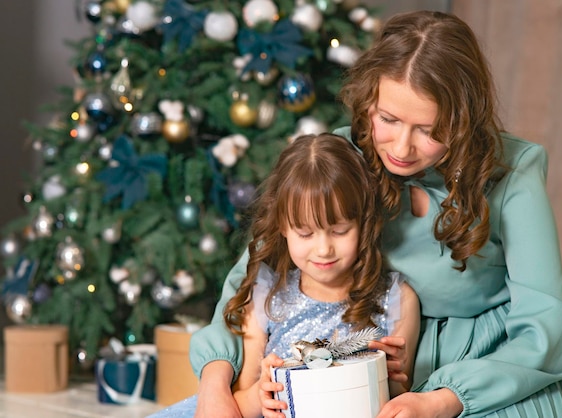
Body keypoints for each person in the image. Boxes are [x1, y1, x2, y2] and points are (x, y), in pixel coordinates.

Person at [188, 10, 562, 418]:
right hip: (365, 360)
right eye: (388, 119)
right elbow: (251, 277)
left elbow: (545, 323)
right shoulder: (340, 158)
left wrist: (444, 399)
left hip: (496, 365)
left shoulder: (513, 171)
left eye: (429, 130)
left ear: (462, 121)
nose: (401, 148)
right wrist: (214, 383)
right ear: (368, 101)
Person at [148, 133, 420, 418]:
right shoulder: (269, 294)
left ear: (364, 223)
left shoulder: (396, 299)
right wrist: (260, 395)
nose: (324, 249)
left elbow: (399, 398)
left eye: (339, 231)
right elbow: (238, 405)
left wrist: (394, 380)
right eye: (305, 233)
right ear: (283, 228)